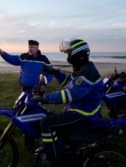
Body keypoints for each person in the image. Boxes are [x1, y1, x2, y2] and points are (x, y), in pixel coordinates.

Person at [32, 38, 104, 167]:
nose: (68, 56)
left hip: (83, 114)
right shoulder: (84, 68)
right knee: (49, 117)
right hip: (81, 109)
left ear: (78, 54)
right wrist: (55, 73)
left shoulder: (87, 73)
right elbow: (70, 83)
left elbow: (70, 94)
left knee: (46, 123)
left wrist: (45, 98)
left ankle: (54, 161)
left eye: (69, 53)